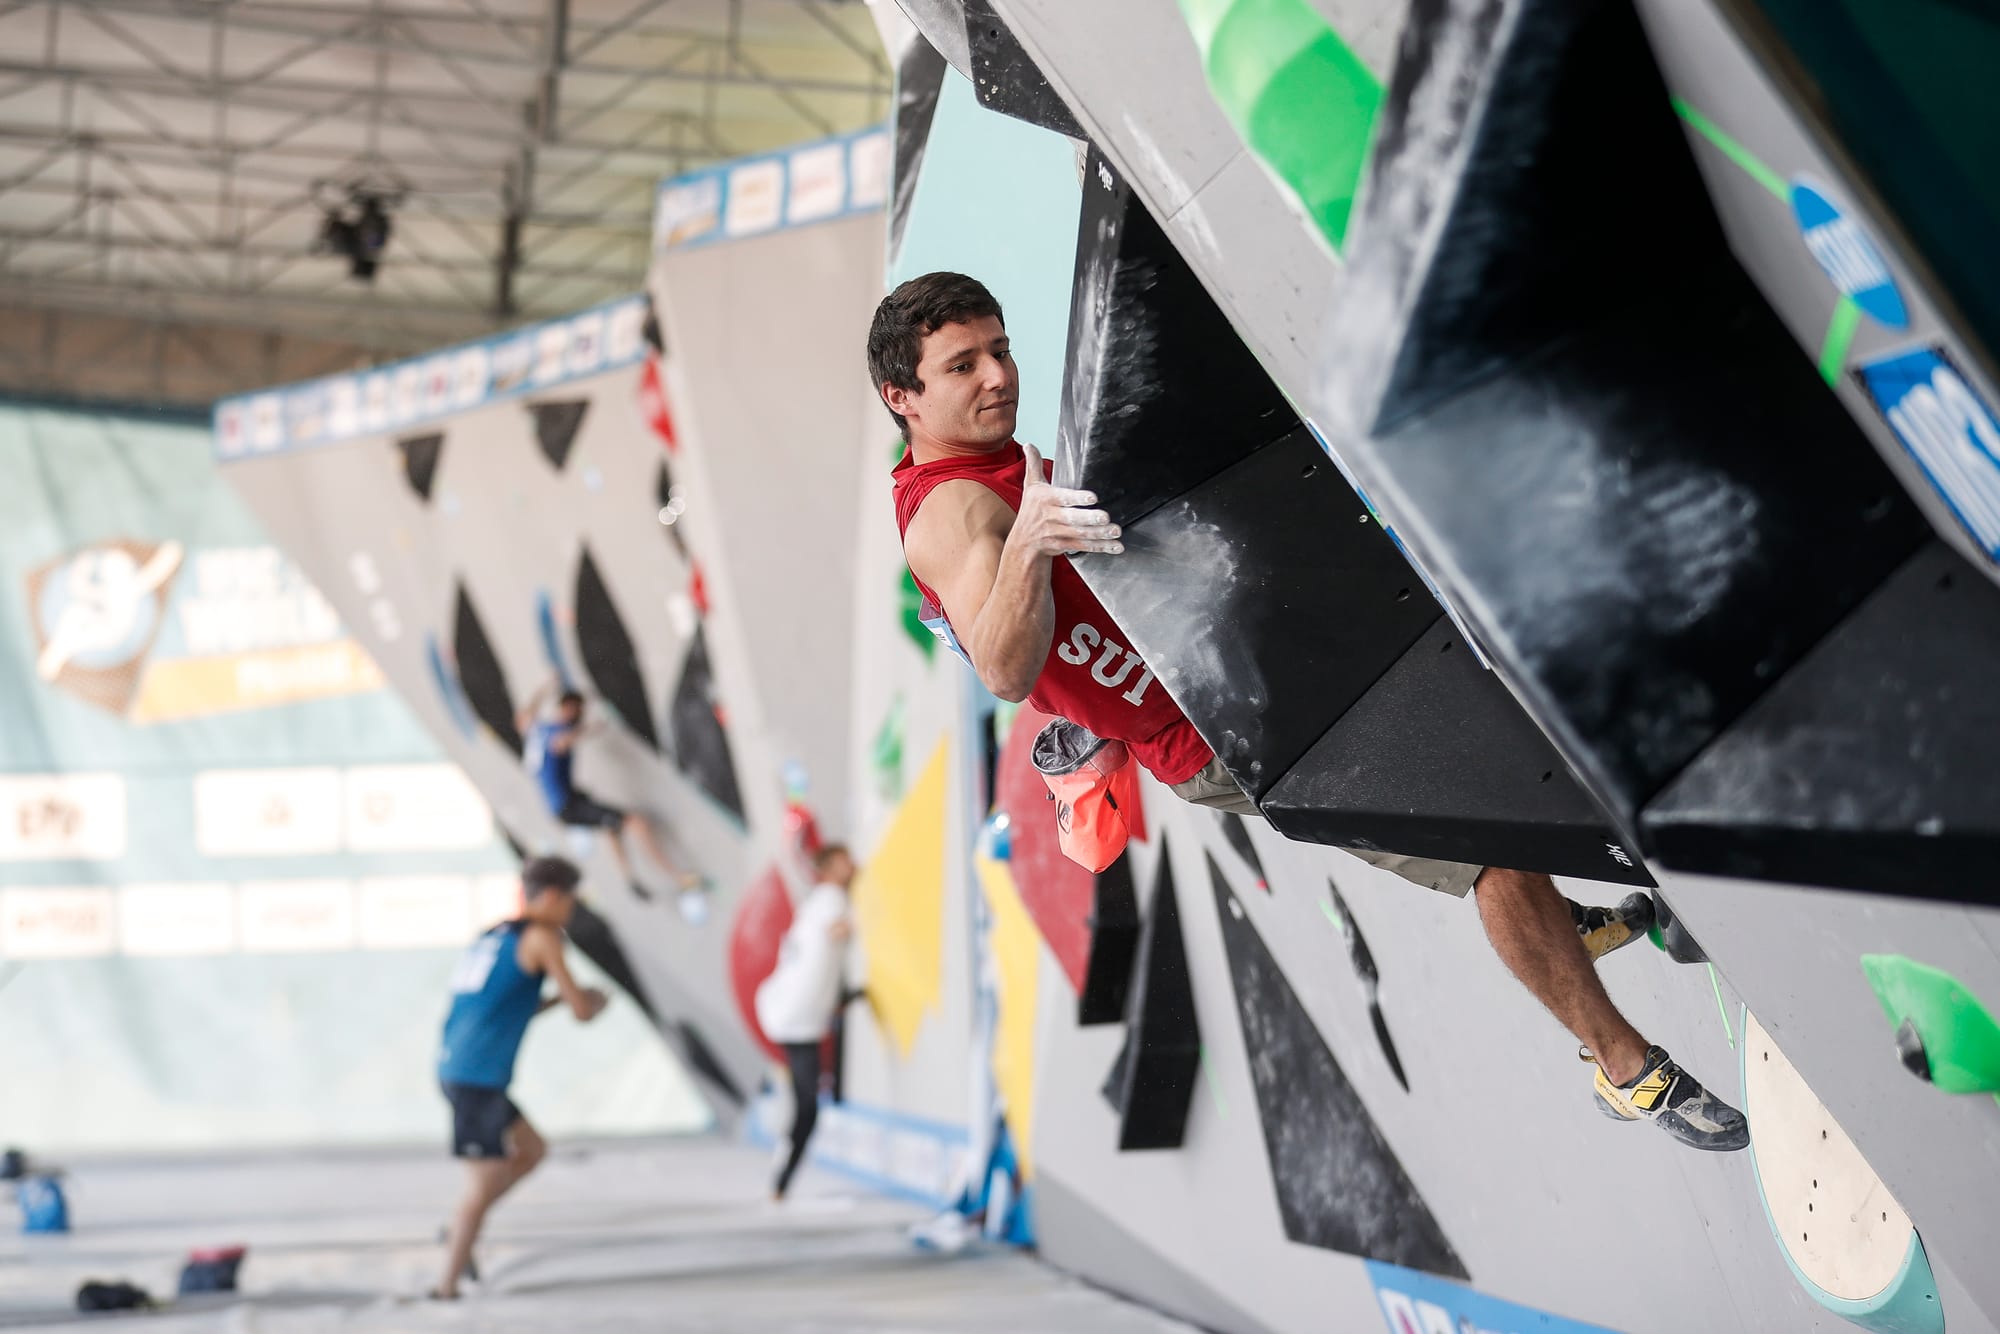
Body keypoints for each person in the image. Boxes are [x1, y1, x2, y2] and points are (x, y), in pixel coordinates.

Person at [868, 272, 1746, 1153]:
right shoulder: (955, 510)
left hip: (1252, 666)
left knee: (1496, 745)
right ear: (901, 397)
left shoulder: (996, 461)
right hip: (1231, 737)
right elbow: (1004, 668)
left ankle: (1579, 926)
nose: (997, 376)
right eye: (962, 366)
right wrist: (1025, 544)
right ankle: (1627, 1070)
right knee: (1485, 850)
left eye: (1000, 349)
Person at [433, 855, 606, 1300]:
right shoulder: (544, 937)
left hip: (461, 1066)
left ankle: (461, 1229)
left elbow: (507, 1003)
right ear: (551, 897)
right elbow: (582, 1012)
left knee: (532, 1149)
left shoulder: (495, 935)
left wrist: (560, 1003)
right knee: (484, 1180)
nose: (571, 913)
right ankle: (445, 1284)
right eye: (570, 903)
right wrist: (591, 1000)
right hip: (477, 1076)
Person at [517, 678, 704, 909]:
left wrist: (545, 688)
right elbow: (561, 743)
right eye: (576, 710)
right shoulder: (559, 730)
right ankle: (677, 876)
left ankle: (630, 880)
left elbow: (525, 715)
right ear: (567, 709)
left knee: (611, 826)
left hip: (568, 802)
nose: (578, 714)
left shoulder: (539, 729)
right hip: (568, 806)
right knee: (636, 823)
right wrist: (593, 726)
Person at [754, 845, 857, 1200]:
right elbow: (839, 931)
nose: (854, 864)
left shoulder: (815, 902)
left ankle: (782, 1173)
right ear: (828, 867)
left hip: (783, 1011)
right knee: (808, 1107)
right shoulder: (832, 898)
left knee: (804, 1103)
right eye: (846, 859)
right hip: (798, 1018)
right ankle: (781, 1178)